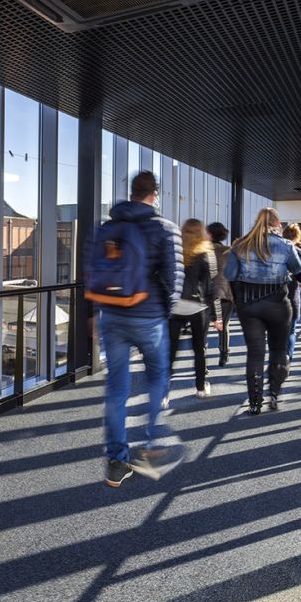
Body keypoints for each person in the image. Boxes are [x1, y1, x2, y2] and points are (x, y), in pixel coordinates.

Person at [87, 171, 186, 487]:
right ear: (154, 195)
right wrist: (165, 312)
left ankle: (116, 462)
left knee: (116, 390)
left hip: (112, 317)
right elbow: (173, 278)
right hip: (149, 317)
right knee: (158, 377)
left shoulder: (108, 227)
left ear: (131, 193)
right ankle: (152, 444)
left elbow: (92, 271)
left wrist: (95, 310)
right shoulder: (164, 228)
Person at [223, 207, 301, 415]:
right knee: (278, 350)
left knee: (255, 354)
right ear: (277, 224)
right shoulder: (286, 246)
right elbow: (300, 273)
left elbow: (230, 274)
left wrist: (239, 300)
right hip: (278, 304)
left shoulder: (240, 246)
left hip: (248, 305)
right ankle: (274, 394)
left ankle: (254, 402)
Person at [168, 219, 222, 399]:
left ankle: (162, 393)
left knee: (171, 351)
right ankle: (200, 388)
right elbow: (211, 288)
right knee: (199, 349)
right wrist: (217, 316)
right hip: (198, 306)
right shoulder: (207, 253)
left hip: (176, 306)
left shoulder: (176, 251)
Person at [206, 222, 234, 368]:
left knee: (203, 327)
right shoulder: (229, 251)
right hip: (225, 293)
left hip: (206, 294)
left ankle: (202, 359)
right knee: (224, 326)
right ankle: (224, 354)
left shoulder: (203, 251)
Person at [282, 223, 301, 364]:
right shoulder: (299, 253)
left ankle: (278, 357)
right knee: (291, 331)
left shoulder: (274, 251)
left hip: (275, 298)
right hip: (292, 297)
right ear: (297, 237)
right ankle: (287, 358)